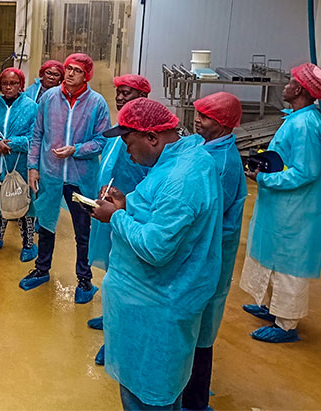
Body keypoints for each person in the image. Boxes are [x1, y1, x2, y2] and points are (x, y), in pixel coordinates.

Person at [91, 97, 223, 410]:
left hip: (157, 309)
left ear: (152, 137)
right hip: (149, 303)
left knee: (150, 395)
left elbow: (156, 247)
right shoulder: (180, 159)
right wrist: (127, 204)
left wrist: (117, 217)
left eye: (128, 142)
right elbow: (159, 211)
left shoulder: (182, 179)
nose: (126, 152)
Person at [240, 62, 321, 343]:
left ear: (301, 90)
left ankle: (286, 325)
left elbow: (305, 171)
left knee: (288, 265)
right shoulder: (297, 117)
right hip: (281, 207)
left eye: (291, 82)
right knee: (272, 255)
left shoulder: (305, 124)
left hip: (296, 210)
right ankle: (271, 307)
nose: (286, 86)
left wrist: (265, 180)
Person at [20, 53, 111, 305]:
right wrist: (33, 168)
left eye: (77, 70)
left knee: (83, 231)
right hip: (49, 174)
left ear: (87, 75)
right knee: (46, 223)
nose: (70, 73)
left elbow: (102, 139)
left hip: (80, 178)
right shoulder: (49, 98)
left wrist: (77, 150)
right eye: (68, 68)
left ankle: (84, 279)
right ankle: (41, 269)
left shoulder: (96, 103)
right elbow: (36, 134)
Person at [182, 92, 247, 411]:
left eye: (205, 117)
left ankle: (195, 400)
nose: (197, 119)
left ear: (221, 124)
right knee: (197, 327)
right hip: (208, 253)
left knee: (201, 330)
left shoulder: (219, 164)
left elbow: (203, 216)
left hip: (210, 257)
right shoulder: (209, 147)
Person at [85, 74, 152, 366]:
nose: (120, 97)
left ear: (143, 96)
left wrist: (122, 204)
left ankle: (115, 340)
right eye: (118, 92)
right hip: (112, 209)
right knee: (113, 273)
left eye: (127, 92)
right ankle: (112, 318)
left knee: (125, 279)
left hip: (128, 213)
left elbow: (143, 180)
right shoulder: (121, 127)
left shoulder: (142, 136)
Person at [0, 68, 40, 261]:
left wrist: (10, 144)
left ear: (20, 85)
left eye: (13, 83)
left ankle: (29, 244)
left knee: (23, 202)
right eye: (5, 83)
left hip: (20, 163)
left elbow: (35, 135)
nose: (8, 87)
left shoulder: (31, 107)